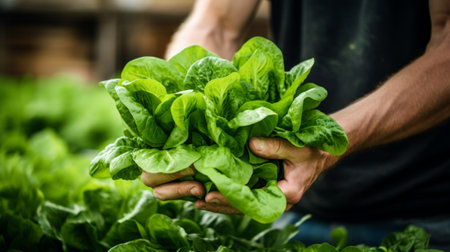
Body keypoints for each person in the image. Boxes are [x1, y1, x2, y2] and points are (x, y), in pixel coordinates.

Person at [141, 0, 450, 249]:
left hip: (428, 217)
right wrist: (181, 125)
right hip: (293, 214)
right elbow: (217, 22)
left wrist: (327, 142)